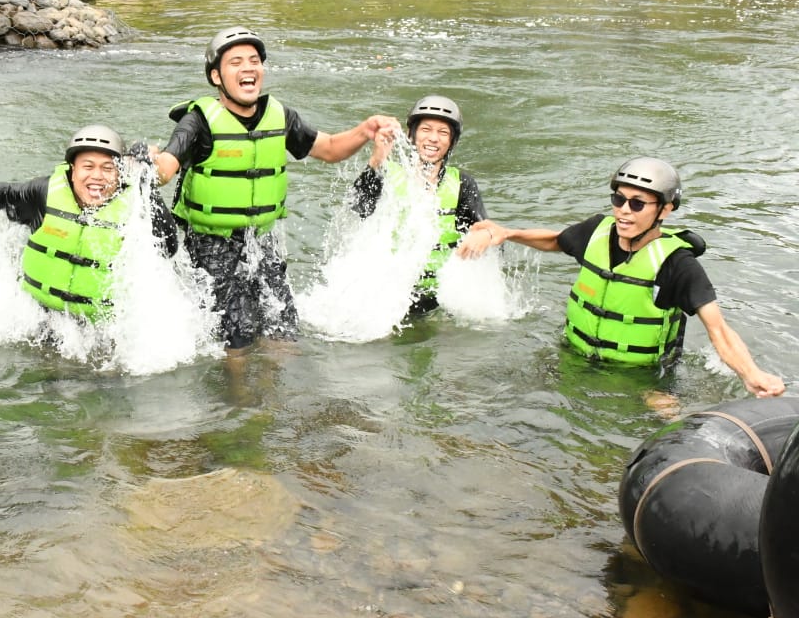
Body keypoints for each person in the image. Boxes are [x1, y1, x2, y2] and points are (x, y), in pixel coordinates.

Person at [151, 26, 400, 349]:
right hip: (211, 247)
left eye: (254, 61)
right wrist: (147, 163)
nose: (248, 68)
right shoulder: (198, 122)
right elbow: (166, 169)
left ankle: (279, 400)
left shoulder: (280, 116)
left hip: (262, 244)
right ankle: (238, 400)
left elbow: (330, 149)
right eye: (236, 62)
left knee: (283, 333)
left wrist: (365, 130)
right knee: (236, 343)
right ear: (216, 77)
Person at [465, 157, 785, 398]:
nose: (624, 211)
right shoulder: (597, 231)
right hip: (575, 357)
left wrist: (750, 373)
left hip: (644, 378)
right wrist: (506, 233)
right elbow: (555, 240)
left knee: (661, 421)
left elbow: (719, 330)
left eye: (637, 203)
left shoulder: (677, 264)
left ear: (665, 210)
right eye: (619, 199)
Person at [0, 125, 178, 322]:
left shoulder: (135, 206)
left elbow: (168, 246)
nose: (97, 176)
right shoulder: (46, 193)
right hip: (41, 318)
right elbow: (6, 194)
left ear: (120, 175)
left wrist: (146, 186)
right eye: (88, 166)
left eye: (107, 168)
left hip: (100, 328)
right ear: (72, 170)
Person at [349, 94, 491, 314]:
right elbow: (360, 207)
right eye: (426, 129)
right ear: (411, 135)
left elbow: (486, 233)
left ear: (452, 142)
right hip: (389, 295)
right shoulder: (387, 173)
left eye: (443, 133)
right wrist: (376, 160)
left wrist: (486, 235)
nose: (433, 138)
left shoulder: (462, 183)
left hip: (440, 298)